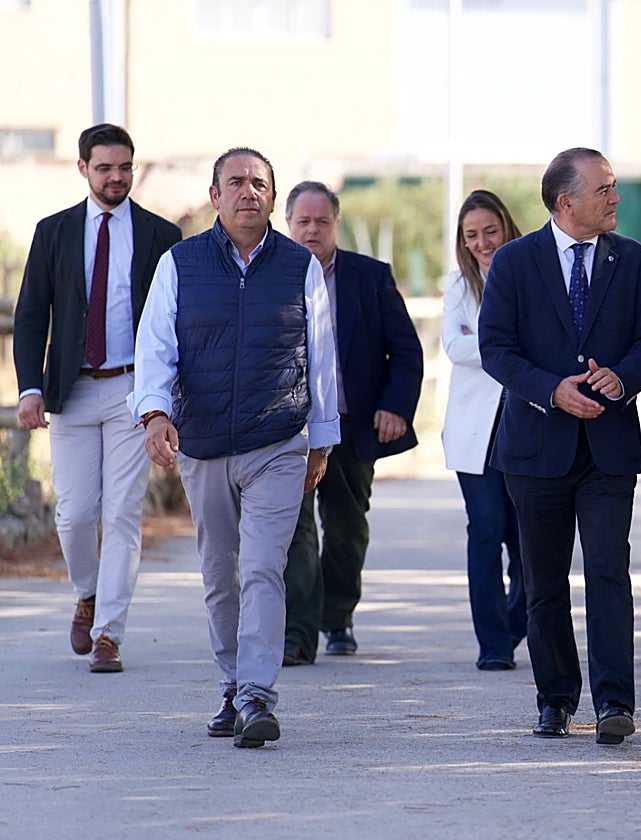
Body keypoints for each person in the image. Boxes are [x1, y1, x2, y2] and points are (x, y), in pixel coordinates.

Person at [129, 147, 340, 748]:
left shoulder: (300, 266)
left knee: (262, 566)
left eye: (260, 183)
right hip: (203, 443)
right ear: (215, 196)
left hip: (277, 440)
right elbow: (156, 348)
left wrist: (320, 441)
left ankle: (256, 696)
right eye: (236, 183)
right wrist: (154, 414)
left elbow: (321, 359)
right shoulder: (179, 263)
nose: (249, 192)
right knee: (220, 574)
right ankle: (231, 683)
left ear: (273, 197)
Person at [478, 147, 641, 745]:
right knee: (544, 580)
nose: (616, 198)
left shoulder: (634, 261)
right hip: (536, 450)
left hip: (608, 449)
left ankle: (615, 703)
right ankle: (555, 700)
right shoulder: (513, 262)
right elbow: (496, 350)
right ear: (567, 202)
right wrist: (551, 391)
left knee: (610, 572)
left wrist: (625, 376)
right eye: (605, 189)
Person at [12, 123, 181, 673]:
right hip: (72, 390)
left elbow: (174, 320)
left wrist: (167, 398)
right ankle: (85, 593)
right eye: (105, 167)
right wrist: (30, 387)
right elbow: (32, 313)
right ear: (83, 168)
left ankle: (109, 632)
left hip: (136, 390)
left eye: (125, 167)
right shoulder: (54, 231)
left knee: (124, 513)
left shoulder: (160, 236)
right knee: (76, 512)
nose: (116, 177)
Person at [281, 181, 424, 665]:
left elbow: (406, 352)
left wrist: (396, 406)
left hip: (349, 426)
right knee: (295, 532)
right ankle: (297, 635)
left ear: (335, 223)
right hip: (288, 433)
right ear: (288, 224)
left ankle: (338, 617)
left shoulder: (370, 277)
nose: (313, 230)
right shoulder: (270, 275)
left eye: (322, 221)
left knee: (346, 530)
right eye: (304, 221)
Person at [442, 189, 527, 671]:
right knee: (487, 530)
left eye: (489, 232)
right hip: (474, 431)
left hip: (525, 427)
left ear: (507, 227)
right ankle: (493, 645)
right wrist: (505, 349)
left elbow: (538, 345)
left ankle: (518, 623)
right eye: (471, 235)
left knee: (528, 541)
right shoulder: (458, 286)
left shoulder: (530, 277)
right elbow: (455, 347)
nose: (481, 242)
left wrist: (490, 345)